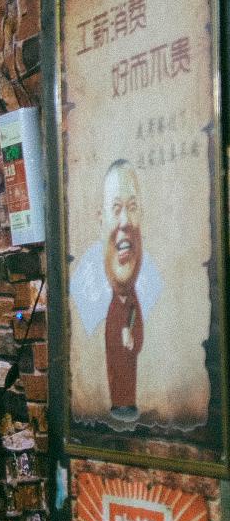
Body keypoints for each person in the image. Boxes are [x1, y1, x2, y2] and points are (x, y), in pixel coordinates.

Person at [99, 160, 144, 419]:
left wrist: (132, 336)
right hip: (117, 359)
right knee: (116, 371)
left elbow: (137, 324)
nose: (125, 220)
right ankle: (119, 403)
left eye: (133, 207)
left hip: (129, 357)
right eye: (116, 209)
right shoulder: (110, 302)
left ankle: (126, 403)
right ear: (101, 219)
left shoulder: (135, 298)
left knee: (128, 372)